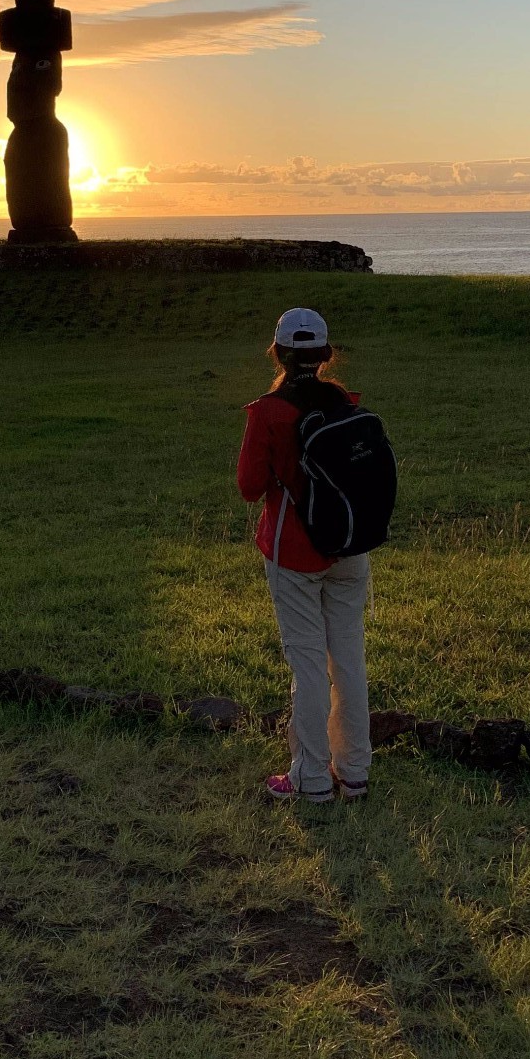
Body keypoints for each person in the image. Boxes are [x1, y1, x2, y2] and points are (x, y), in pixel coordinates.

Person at [237, 306, 372, 805]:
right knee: (349, 661)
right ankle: (354, 771)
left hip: (293, 551)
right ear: (324, 355)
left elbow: (250, 488)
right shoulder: (343, 401)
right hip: (348, 547)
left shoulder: (268, 411)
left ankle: (311, 777)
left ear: (277, 352)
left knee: (309, 665)